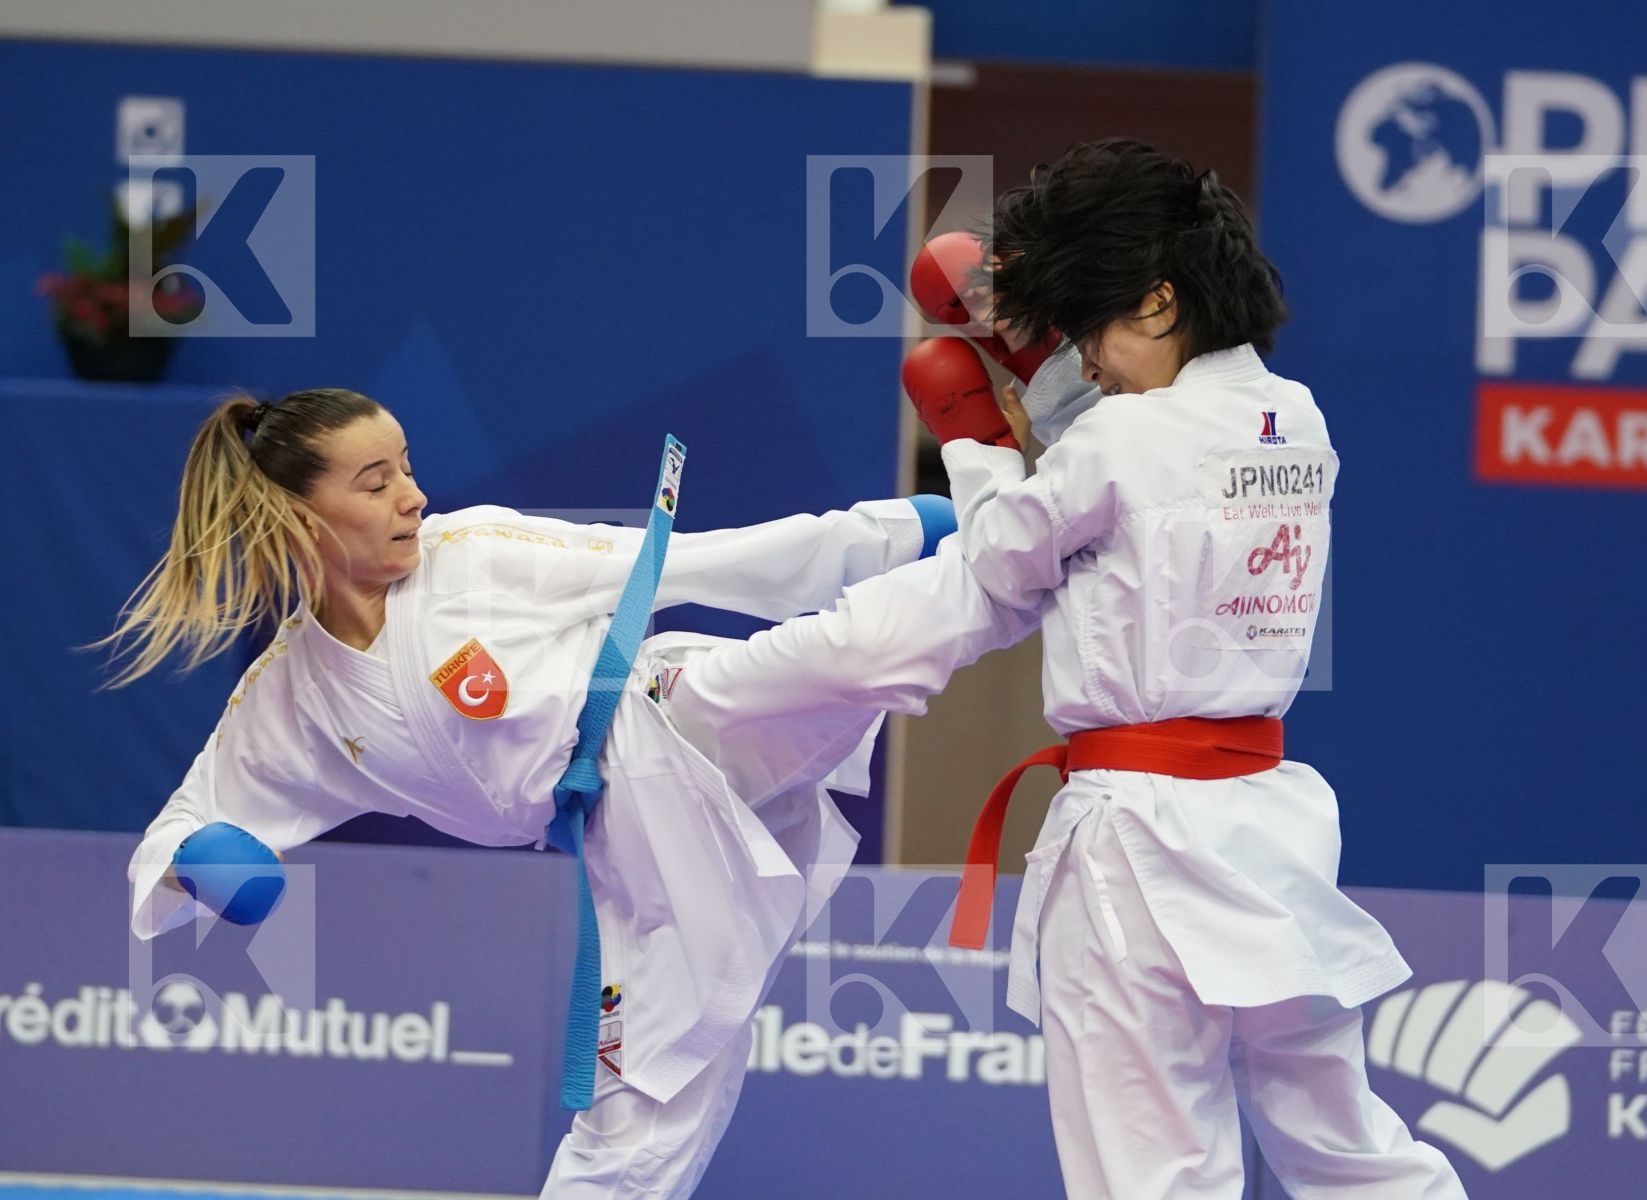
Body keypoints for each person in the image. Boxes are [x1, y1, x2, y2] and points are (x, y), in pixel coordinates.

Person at [112, 387, 1031, 1199]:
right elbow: (186, 818)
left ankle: (1003, 508)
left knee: (850, 656)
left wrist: (888, 534)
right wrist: (201, 861)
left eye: (407, 468)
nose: (413, 496)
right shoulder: (291, 697)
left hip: (670, 717)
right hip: (631, 846)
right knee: (647, 1100)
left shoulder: (468, 553)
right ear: (296, 517)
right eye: (376, 480)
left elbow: (694, 562)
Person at [902, 139, 1470, 1198]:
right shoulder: (1300, 420)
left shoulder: (1113, 446)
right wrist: (1069, 382)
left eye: (1093, 332)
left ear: (1159, 305)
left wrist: (975, 438)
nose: (1092, 360)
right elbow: (1166, 475)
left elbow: (998, 565)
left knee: (1148, 1167)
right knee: (1350, 1149)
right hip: (1268, 823)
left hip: (1135, 835)